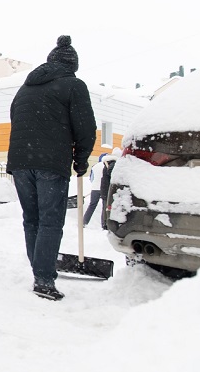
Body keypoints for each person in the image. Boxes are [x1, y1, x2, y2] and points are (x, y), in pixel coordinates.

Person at [7, 35, 96, 301]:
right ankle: (44, 279)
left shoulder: (25, 88)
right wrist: (81, 159)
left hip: (20, 162)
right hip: (50, 162)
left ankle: (39, 270)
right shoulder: (73, 85)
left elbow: (15, 118)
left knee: (32, 218)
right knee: (50, 220)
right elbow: (85, 127)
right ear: (72, 66)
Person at [98, 147, 122, 229]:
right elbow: (110, 172)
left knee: (105, 207)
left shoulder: (108, 162)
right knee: (107, 207)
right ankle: (106, 224)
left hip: (105, 188)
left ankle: (104, 223)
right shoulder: (113, 163)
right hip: (108, 189)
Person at [83, 152, 108, 226]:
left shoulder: (94, 166)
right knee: (104, 207)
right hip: (104, 188)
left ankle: (84, 222)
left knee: (92, 205)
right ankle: (104, 224)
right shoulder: (107, 166)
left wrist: (95, 185)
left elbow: (91, 178)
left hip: (95, 189)